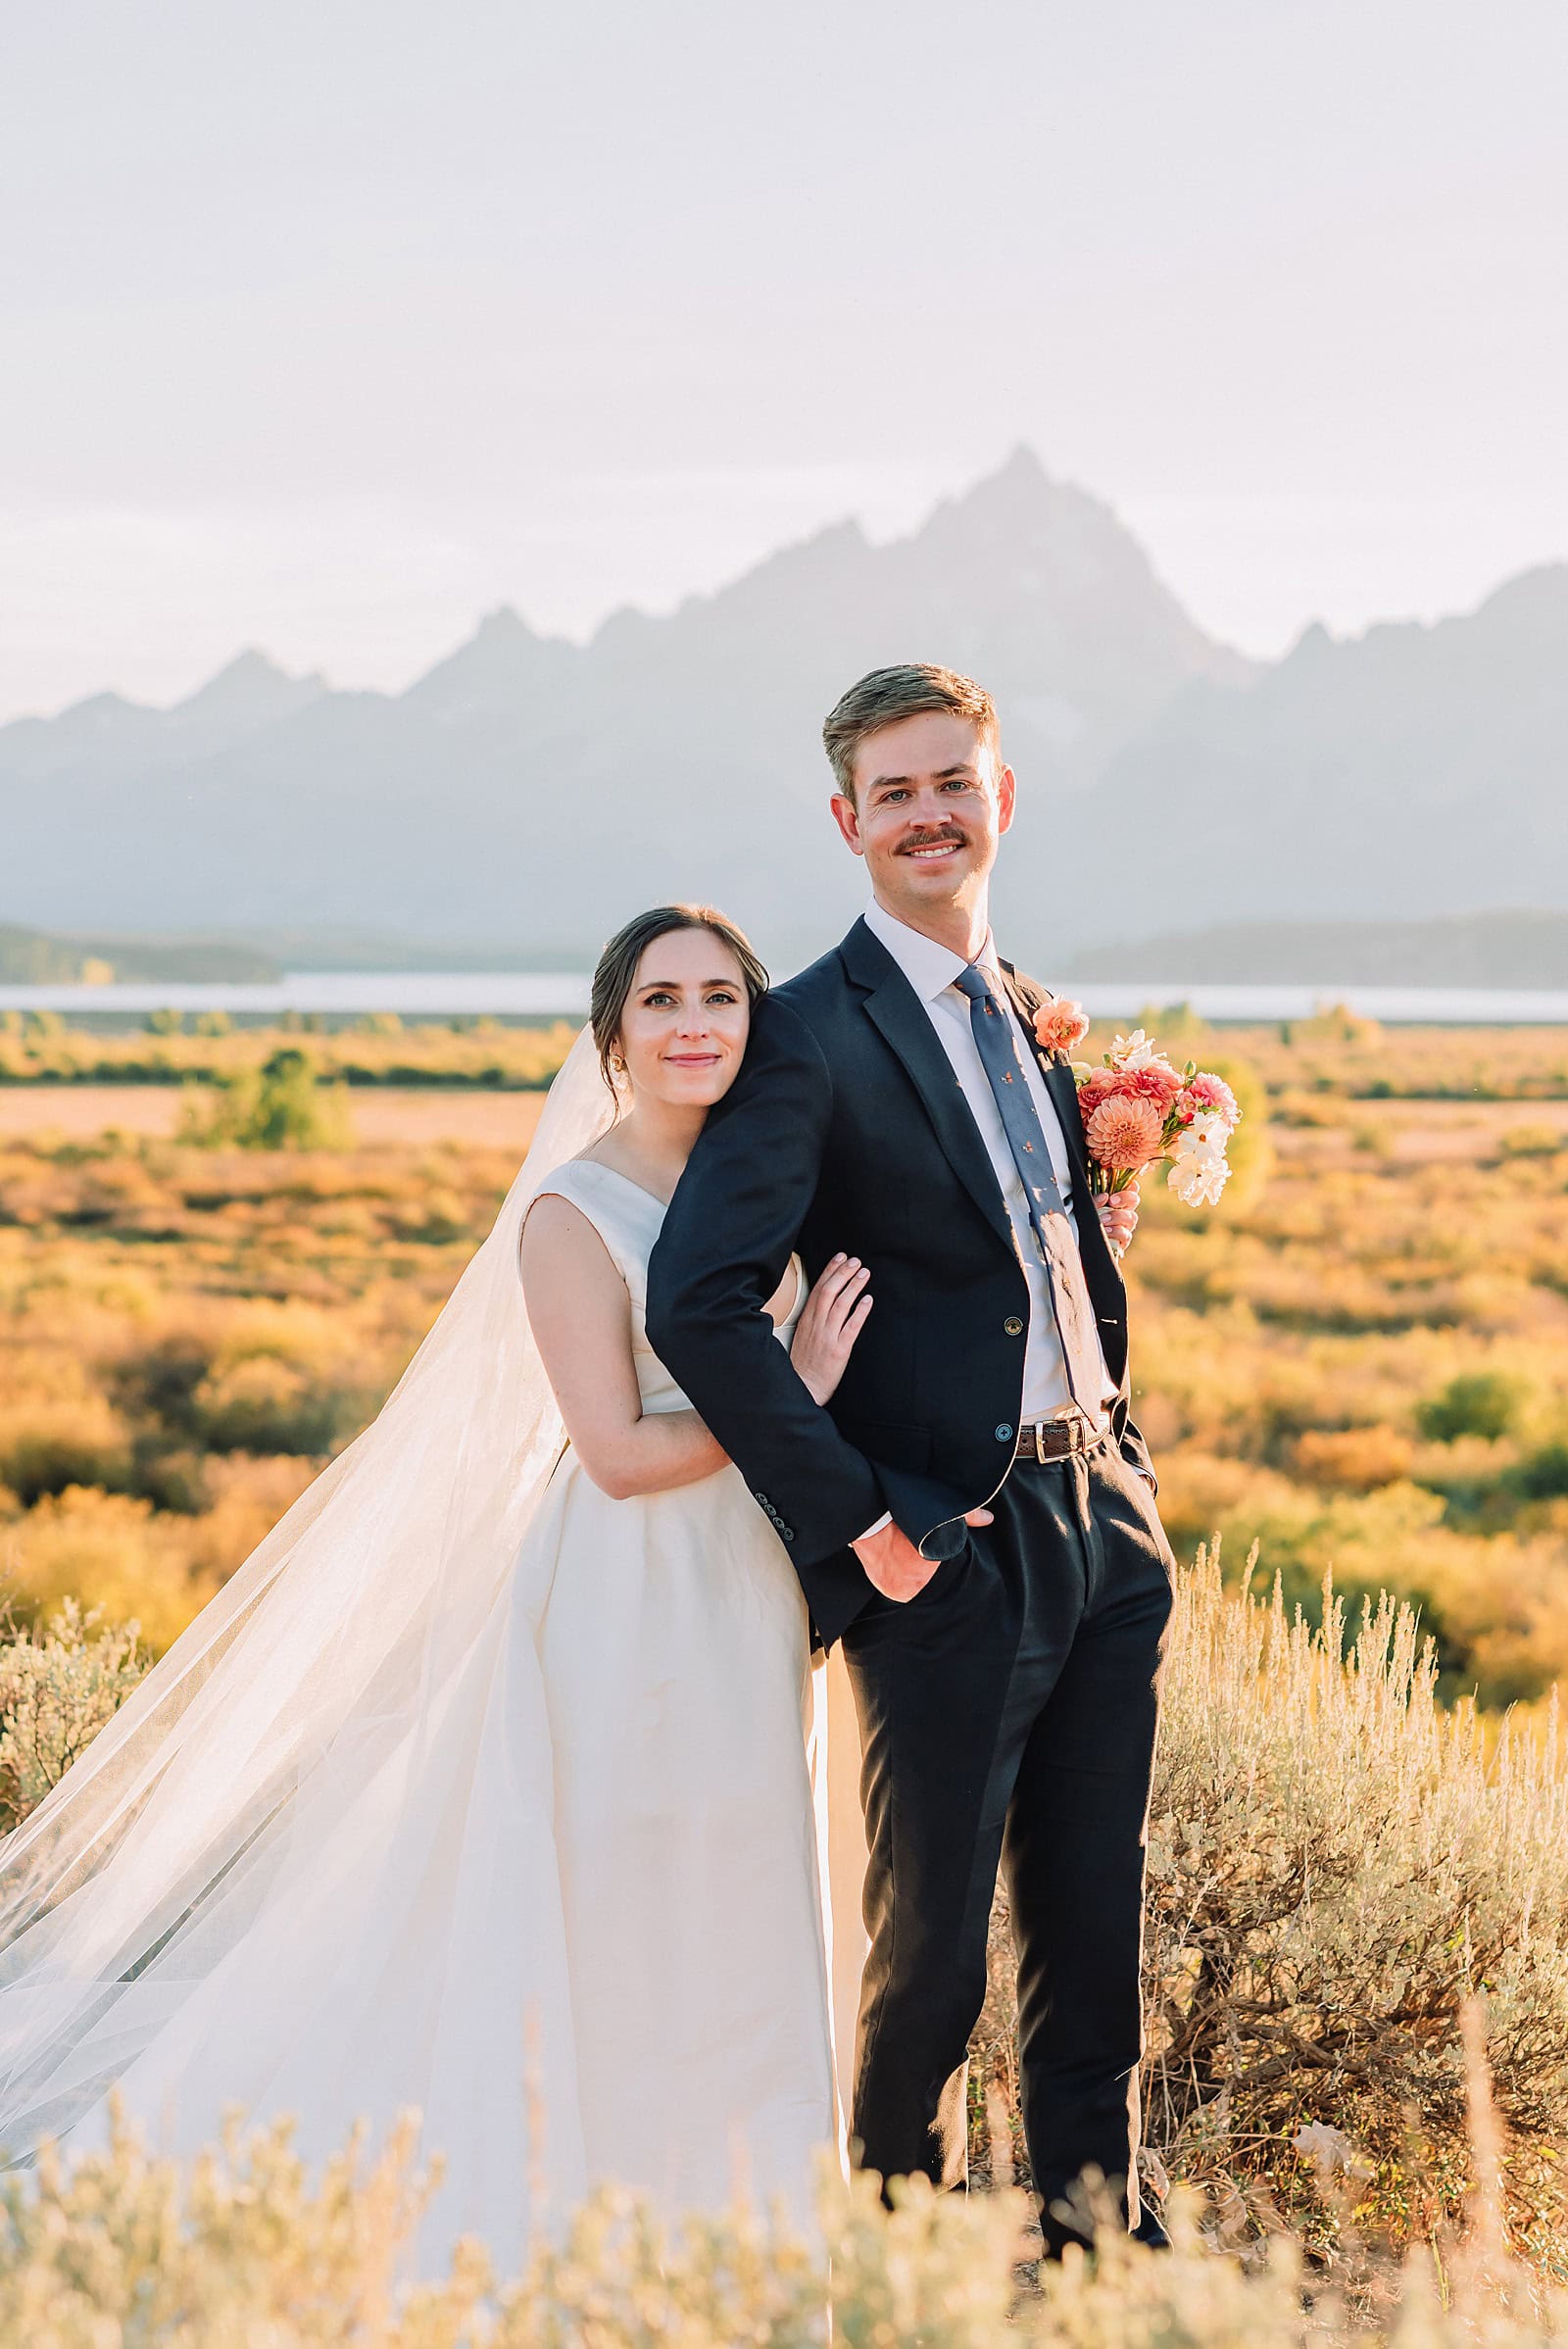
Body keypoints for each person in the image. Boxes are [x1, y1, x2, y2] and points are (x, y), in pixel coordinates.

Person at [0, 905, 867, 2270]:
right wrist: (791, 1402)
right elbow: (619, 1451)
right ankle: (579, 2222)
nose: (696, 1021)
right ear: (616, 1034)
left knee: (735, 1896)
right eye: (661, 999)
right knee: (615, 1907)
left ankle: (735, 2230)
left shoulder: (767, 1186)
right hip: (623, 1603)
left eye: (722, 995)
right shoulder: (573, 1214)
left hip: (748, 1595)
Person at [647, 663, 1176, 2255]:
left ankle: (1098, 2261)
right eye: (896, 791)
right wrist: (861, 1523)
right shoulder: (804, 1034)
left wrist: (1125, 1446)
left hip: (1108, 1523)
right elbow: (696, 1301)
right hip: (944, 1549)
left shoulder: (1023, 1008)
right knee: (932, 1954)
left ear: (1000, 799)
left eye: (955, 781)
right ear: (847, 822)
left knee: (1096, 1936)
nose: (930, 813)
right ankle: (899, 2273)